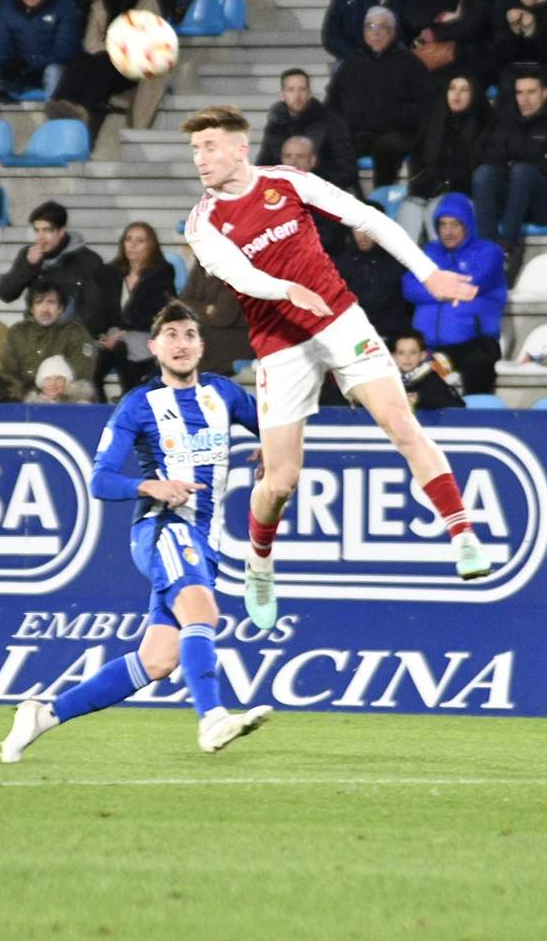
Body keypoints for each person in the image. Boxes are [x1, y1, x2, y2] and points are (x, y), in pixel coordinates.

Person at [181, 104, 492, 629]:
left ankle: (462, 534)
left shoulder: (288, 181)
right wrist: (286, 289)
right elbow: (239, 274)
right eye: (195, 150)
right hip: (280, 343)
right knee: (281, 481)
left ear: (240, 146)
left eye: (210, 146)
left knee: (400, 422)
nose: (201, 159)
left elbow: (366, 217)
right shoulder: (203, 222)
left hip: (339, 318)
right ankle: (259, 562)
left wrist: (430, 271)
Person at [0, 300, 274, 763]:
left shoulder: (223, 395)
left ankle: (43, 715)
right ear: (153, 347)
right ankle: (211, 718)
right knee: (202, 612)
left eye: (189, 335)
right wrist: (151, 484)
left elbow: (275, 423)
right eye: (171, 336)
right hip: (162, 529)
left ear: (201, 345)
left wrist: (272, 444)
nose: (181, 344)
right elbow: (100, 479)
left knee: (158, 661)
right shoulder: (140, 405)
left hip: (203, 539)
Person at [470, 66, 547, 275]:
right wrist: (537, 158)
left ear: (545, 93)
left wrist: (516, 163)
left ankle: (507, 249)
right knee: (483, 174)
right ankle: (487, 251)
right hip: (519, 198)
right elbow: (492, 159)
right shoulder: (508, 123)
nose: (524, 99)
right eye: (519, 93)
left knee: (523, 171)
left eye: (531, 92)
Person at [45, 0, 166, 137]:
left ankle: (82, 109)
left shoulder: (146, 2)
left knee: (102, 61)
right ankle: (61, 103)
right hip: (106, 61)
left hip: (133, 67)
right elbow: (90, 42)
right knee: (81, 58)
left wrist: (112, 50)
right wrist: (110, 49)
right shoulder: (101, 0)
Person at [401, 193, 505, 395]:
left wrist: (434, 286)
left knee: (479, 359)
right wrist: (444, 291)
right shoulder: (429, 252)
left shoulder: (489, 252)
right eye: (443, 225)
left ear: (468, 225)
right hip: (428, 346)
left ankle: (478, 415)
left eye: (455, 225)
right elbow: (408, 287)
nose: (448, 232)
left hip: (473, 343)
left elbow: (472, 284)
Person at [325, 6, 434, 190]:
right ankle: (354, 200)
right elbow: (332, 102)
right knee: (331, 146)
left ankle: (381, 201)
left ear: (393, 31)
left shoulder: (410, 63)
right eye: (370, 27)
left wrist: (393, 118)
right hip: (358, 133)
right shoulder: (353, 63)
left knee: (387, 148)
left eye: (382, 27)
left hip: (395, 134)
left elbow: (424, 106)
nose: (375, 33)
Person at [398, 71, 491, 245]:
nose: (456, 94)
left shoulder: (484, 126)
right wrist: (421, 182)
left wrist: (446, 185)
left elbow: (476, 171)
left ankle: (443, 264)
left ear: (474, 95)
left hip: (463, 194)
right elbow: (416, 158)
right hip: (430, 190)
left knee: (438, 210)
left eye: (464, 90)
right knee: (409, 208)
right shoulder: (434, 122)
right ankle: (408, 268)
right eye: (452, 88)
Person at [0, 200, 108, 337]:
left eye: (47, 230)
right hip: (36, 336)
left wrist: (65, 336)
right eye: (37, 230)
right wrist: (29, 266)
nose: (40, 237)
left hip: (72, 338)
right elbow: (5, 293)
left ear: (61, 231)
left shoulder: (88, 260)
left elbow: (94, 312)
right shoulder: (29, 255)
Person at [93, 221, 175, 401]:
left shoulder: (162, 273)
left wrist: (124, 330)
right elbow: (103, 310)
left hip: (146, 334)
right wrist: (103, 333)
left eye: (140, 241)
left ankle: (129, 398)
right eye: (128, 239)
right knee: (94, 367)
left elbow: (159, 314)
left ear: (151, 245)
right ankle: (100, 406)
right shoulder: (111, 273)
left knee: (121, 346)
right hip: (114, 334)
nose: (132, 245)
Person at [255, 69, 358, 194]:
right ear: (282, 95)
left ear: (309, 93)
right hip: (284, 195)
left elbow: (347, 171)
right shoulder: (275, 125)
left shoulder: (331, 122)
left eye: (302, 89)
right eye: (291, 90)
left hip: (322, 196)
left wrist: (313, 185)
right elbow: (263, 167)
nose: (297, 96)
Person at [0, 280, 97, 400]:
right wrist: (28, 397)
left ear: (61, 308)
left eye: (51, 302)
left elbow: (81, 376)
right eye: (38, 302)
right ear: (32, 309)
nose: (45, 309)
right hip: (23, 405)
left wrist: (56, 392)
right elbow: (8, 374)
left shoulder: (76, 334)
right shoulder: (17, 333)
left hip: (67, 405)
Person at [335, 201, 411, 344]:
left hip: (392, 340)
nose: (362, 236)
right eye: (356, 228)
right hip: (353, 340)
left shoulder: (399, 262)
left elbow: (406, 307)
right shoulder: (340, 265)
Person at [178, 262, 253, 376]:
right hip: (210, 330)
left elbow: (223, 316)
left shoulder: (235, 266)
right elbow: (181, 303)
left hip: (239, 336)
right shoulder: (201, 262)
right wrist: (207, 308)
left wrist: (192, 307)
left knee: (193, 337)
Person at [392, 330, 463, 411]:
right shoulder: (388, 379)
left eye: (413, 352)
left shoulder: (432, 377)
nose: (407, 358)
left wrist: (419, 398)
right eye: (401, 353)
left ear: (423, 355)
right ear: (394, 357)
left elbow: (450, 403)